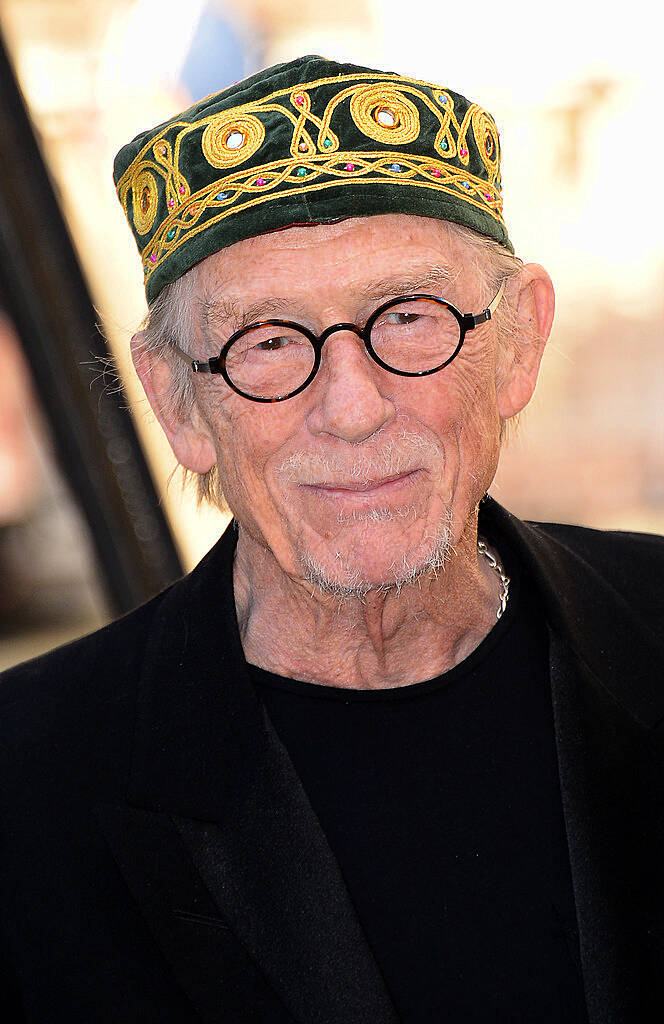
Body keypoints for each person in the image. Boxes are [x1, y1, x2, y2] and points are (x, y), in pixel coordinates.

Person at [1, 55, 662, 1024]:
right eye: (266, 340)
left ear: (518, 341)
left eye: (408, 318)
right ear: (175, 400)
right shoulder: (25, 780)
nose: (350, 408)